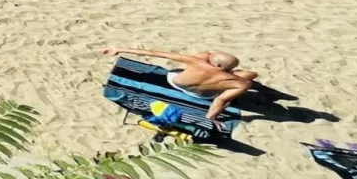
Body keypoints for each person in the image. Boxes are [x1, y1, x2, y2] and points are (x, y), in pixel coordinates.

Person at [101, 47, 258, 121]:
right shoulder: (241, 84)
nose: (208, 56)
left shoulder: (197, 61)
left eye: (212, 57)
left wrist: (119, 49)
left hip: (175, 82)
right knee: (250, 75)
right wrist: (212, 117)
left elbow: (155, 53)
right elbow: (221, 100)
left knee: (202, 55)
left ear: (216, 64)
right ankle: (225, 74)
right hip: (201, 94)